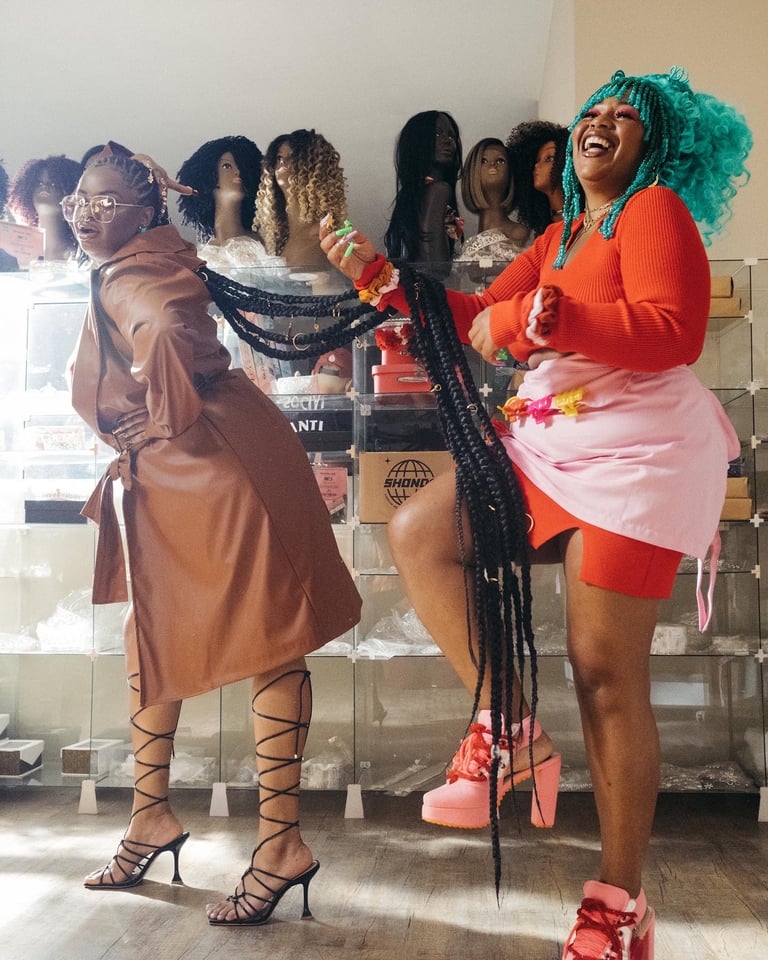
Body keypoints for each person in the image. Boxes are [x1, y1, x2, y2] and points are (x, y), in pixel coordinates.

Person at [322, 68, 752, 959]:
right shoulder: (560, 235)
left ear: (658, 147)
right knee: (421, 530)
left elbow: (671, 330)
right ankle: (508, 727)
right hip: (555, 440)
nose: (603, 122)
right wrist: (382, 279)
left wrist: (541, 319)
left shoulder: (653, 211)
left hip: (638, 457)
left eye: (627, 117)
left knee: (604, 675)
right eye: (595, 110)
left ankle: (620, 907)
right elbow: (477, 313)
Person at [65, 147, 361, 924]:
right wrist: (162, 423)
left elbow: (164, 326)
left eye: (104, 200)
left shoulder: (132, 273)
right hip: (197, 457)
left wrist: (164, 417)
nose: (85, 211)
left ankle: (280, 845)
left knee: (267, 638)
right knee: (156, 630)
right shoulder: (145, 259)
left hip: (209, 461)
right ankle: (150, 818)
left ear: (145, 210)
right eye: (78, 198)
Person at [253, 128, 346, 272]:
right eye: (279, 158)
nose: (283, 164)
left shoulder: (324, 239)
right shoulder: (275, 240)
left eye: (293, 159)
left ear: (314, 169)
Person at [384, 110, 464, 278]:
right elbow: (438, 267)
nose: (447, 141)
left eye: (451, 136)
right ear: (418, 141)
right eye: (437, 134)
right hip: (430, 290)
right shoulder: (439, 190)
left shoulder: (411, 196)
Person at [176, 135, 271, 271]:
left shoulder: (264, 244)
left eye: (242, 167)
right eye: (227, 166)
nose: (238, 172)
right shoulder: (202, 255)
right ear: (209, 176)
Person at [454, 137, 531, 264]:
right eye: (483, 161)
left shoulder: (519, 234)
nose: (492, 165)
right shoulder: (469, 242)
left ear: (510, 172)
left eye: (500, 160)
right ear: (472, 172)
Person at [8, 154, 81, 259]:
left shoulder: (81, 255)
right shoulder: (16, 249)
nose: (44, 187)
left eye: (53, 184)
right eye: (39, 183)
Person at [506, 120, 570, 236]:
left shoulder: (585, 222)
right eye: (536, 160)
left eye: (549, 158)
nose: (536, 166)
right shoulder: (543, 230)